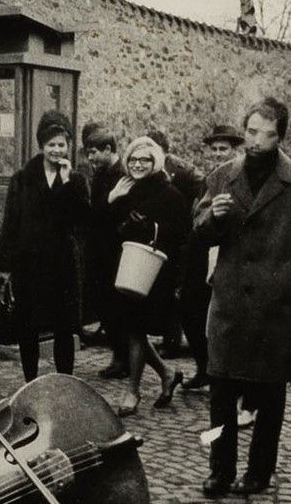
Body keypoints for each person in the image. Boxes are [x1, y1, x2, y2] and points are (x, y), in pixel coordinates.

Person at [193, 98, 291, 497]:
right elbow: (199, 231)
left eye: (267, 134)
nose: (256, 141)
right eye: (251, 132)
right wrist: (213, 217)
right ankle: (220, 470)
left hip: (276, 308)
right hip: (229, 304)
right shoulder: (222, 176)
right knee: (221, 391)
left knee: (269, 393)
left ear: (280, 137)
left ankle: (259, 471)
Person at [0, 110, 90, 382]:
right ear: (41, 146)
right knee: (28, 328)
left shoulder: (76, 179)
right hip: (29, 264)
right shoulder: (23, 178)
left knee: (63, 328)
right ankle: (31, 382)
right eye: (51, 144)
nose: (56, 150)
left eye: (61, 144)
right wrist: (5, 264)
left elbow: (82, 219)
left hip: (62, 265)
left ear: (68, 146)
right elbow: (11, 221)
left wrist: (67, 183)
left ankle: (64, 382)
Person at [102, 134, 189, 415]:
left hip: (154, 270)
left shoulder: (169, 193)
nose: (138, 165)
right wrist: (113, 199)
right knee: (132, 328)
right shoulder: (127, 187)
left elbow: (181, 233)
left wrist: (150, 227)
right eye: (133, 160)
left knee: (136, 328)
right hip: (127, 267)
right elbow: (105, 227)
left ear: (155, 162)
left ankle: (133, 391)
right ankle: (166, 374)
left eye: (145, 160)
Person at [176, 124, 242, 393]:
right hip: (200, 252)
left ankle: (225, 376)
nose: (217, 154)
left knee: (223, 318)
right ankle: (204, 368)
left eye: (223, 149)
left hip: (227, 253)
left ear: (235, 151)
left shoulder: (240, 179)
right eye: (213, 149)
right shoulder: (208, 179)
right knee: (190, 311)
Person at [78, 122, 126, 372]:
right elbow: (92, 212)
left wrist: (106, 203)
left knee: (115, 306)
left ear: (108, 149)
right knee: (105, 304)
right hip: (99, 249)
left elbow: (109, 214)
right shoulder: (102, 173)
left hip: (114, 251)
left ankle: (122, 358)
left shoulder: (122, 175)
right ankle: (120, 356)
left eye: (94, 152)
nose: (91, 158)